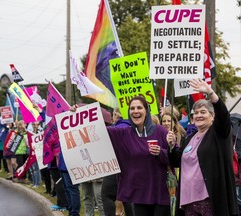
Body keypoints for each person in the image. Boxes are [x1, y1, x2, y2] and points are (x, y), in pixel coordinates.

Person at [167, 78, 238, 216]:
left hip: (210, 200)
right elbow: (176, 161)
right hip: (188, 201)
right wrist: (171, 146)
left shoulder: (218, 133)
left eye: (203, 112)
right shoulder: (189, 139)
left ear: (212, 116)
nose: (199, 115)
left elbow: (223, 116)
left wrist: (211, 94)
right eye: (196, 113)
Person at [100, 96, 171, 215]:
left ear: (146, 110)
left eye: (139, 107)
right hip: (139, 196)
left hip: (160, 194)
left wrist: (161, 152)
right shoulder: (124, 133)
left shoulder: (160, 131)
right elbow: (98, 129)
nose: (135, 111)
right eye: (132, 108)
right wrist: (77, 114)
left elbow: (175, 158)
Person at [101, 107, 134, 216]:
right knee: (128, 198)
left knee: (107, 196)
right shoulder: (135, 127)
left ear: (116, 115)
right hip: (132, 169)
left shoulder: (117, 128)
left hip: (115, 167)